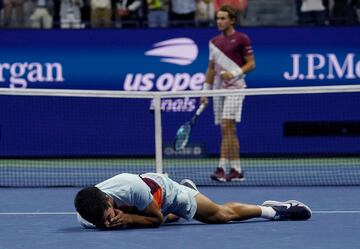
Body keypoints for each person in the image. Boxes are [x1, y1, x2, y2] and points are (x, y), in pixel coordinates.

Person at [74, 172, 311, 229]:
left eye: (108, 217)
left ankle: (274, 209)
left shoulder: (130, 186)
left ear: (108, 200)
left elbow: (155, 219)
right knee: (171, 219)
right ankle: (191, 190)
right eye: (101, 224)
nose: (107, 224)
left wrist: (128, 218)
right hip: (146, 204)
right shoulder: (87, 215)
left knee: (220, 216)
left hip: (164, 193)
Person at [200, 5, 255, 182]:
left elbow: (251, 64)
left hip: (236, 87)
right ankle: (235, 169)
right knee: (227, 129)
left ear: (232, 20)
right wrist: (204, 92)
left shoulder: (241, 38)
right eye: (218, 18)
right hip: (218, 89)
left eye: (223, 18)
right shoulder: (214, 42)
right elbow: (210, 69)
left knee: (226, 126)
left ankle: (222, 167)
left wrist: (234, 73)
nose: (220, 21)